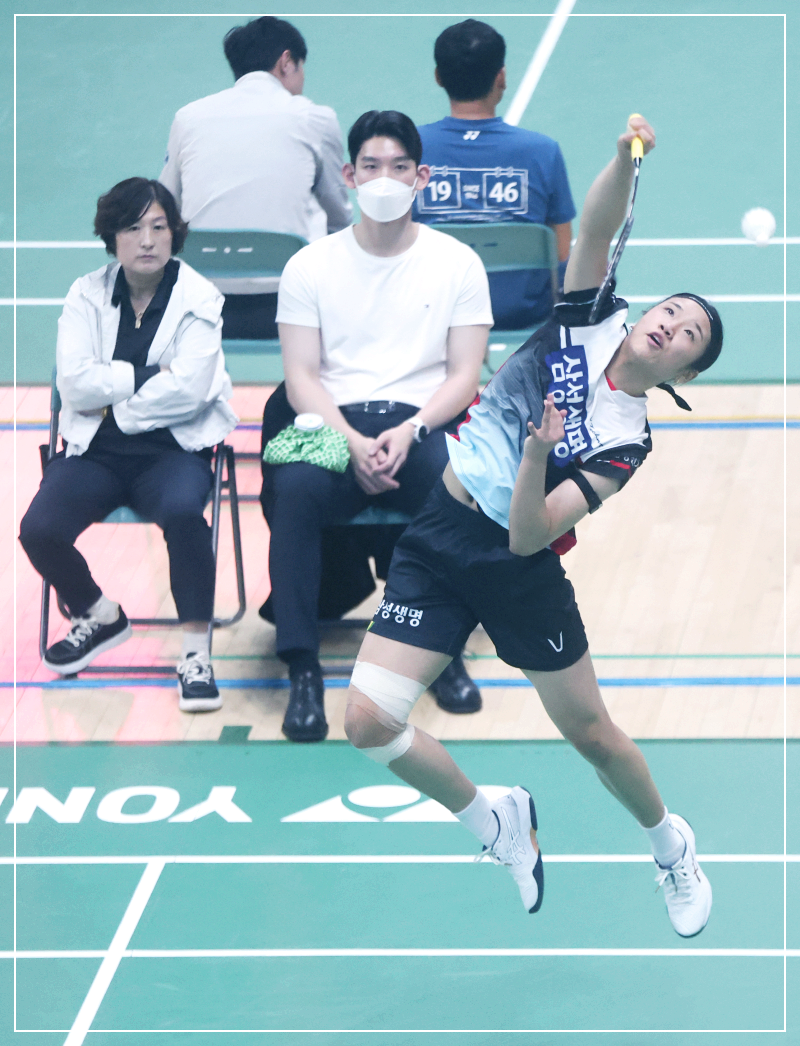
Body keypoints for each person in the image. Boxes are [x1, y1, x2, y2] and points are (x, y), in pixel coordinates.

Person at [342, 115, 723, 936]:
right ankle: (495, 821)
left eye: (688, 334)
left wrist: (536, 454)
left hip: (515, 566)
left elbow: (529, 536)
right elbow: (597, 229)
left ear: (683, 373)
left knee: (592, 735)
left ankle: (670, 845)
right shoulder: (590, 316)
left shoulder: (625, 441)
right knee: (368, 721)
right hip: (441, 530)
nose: (670, 323)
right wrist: (623, 156)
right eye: (671, 309)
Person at [262, 109, 493, 742]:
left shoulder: (458, 263)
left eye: (398, 166)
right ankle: (303, 668)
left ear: (422, 176)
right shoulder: (310, 265)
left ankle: (440, 653)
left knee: (451, 486)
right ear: (349, 175)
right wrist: (350, 441)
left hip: (421, 421)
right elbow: (300, 376)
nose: (384, 178)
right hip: (330, 422)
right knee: (296, 489)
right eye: (371, 166)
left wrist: (413, 429)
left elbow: (464, 374)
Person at [19, 178, 238, 713]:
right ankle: (99, 614)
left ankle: (195, 655)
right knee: (39, 530)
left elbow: (190, 390)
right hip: (95, 452)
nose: (147, 240)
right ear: (111, 237)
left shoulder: (199, 298)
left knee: (184, 514)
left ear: (174, 234)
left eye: (159, 227)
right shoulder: (85, 294)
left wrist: (113, 402)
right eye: (133, 228)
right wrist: (146, 376)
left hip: (173, 452)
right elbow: (74, 384)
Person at [159, 16, 352, 340]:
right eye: (301, 68)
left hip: (200, 307)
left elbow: (165, 207)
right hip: (291, 306)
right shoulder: (315, 118)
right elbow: (339, 219)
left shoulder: (187, 118)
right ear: (286, 62)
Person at [414, 19, 575, 329]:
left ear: (438, 77)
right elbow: (561, 251)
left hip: (434, 309)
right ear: (501, 77)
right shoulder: (543, 151)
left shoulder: (409, 148)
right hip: (523, 312)